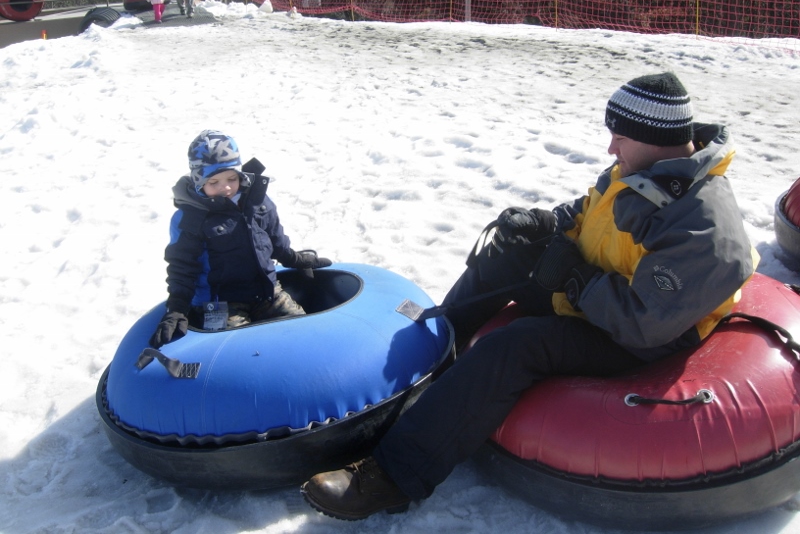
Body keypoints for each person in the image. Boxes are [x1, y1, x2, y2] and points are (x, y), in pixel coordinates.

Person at [300, 72, 758, 519]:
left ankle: (393, 478)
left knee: (516, 345)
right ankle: (428, 371)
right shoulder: (642, 167)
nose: (610, 148)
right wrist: (545, 225)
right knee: (508, 252)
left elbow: (644, 322)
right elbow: (587, 214)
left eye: (619, 137)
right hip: (599, 291)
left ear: (655, 136)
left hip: (643, 336)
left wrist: (575, 279)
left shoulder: (703, 226)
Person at [150, 130, 332, 348]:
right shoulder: (191, 218)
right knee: (232, 350)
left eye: (231, 178)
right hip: (220, 303)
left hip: (266, 292)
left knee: (304, 332)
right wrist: (178, 308)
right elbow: (182, 267)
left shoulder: (257, 201)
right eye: (214, 181)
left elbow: (274, 239)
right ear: (198, 182)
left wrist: (295, 259)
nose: (225, 187)